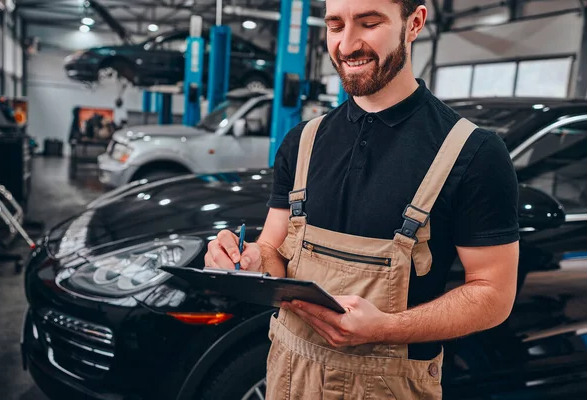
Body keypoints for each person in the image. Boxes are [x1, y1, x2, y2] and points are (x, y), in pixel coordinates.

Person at [204, 0, 519, 398]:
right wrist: (247, 261)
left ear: (414, 23)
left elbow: (493, 294)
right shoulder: (302, 141)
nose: (347, 45)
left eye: (369, 23)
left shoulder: (473, 152)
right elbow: (272, 249)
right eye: (335, 26)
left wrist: (385, 328)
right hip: (287, 375)